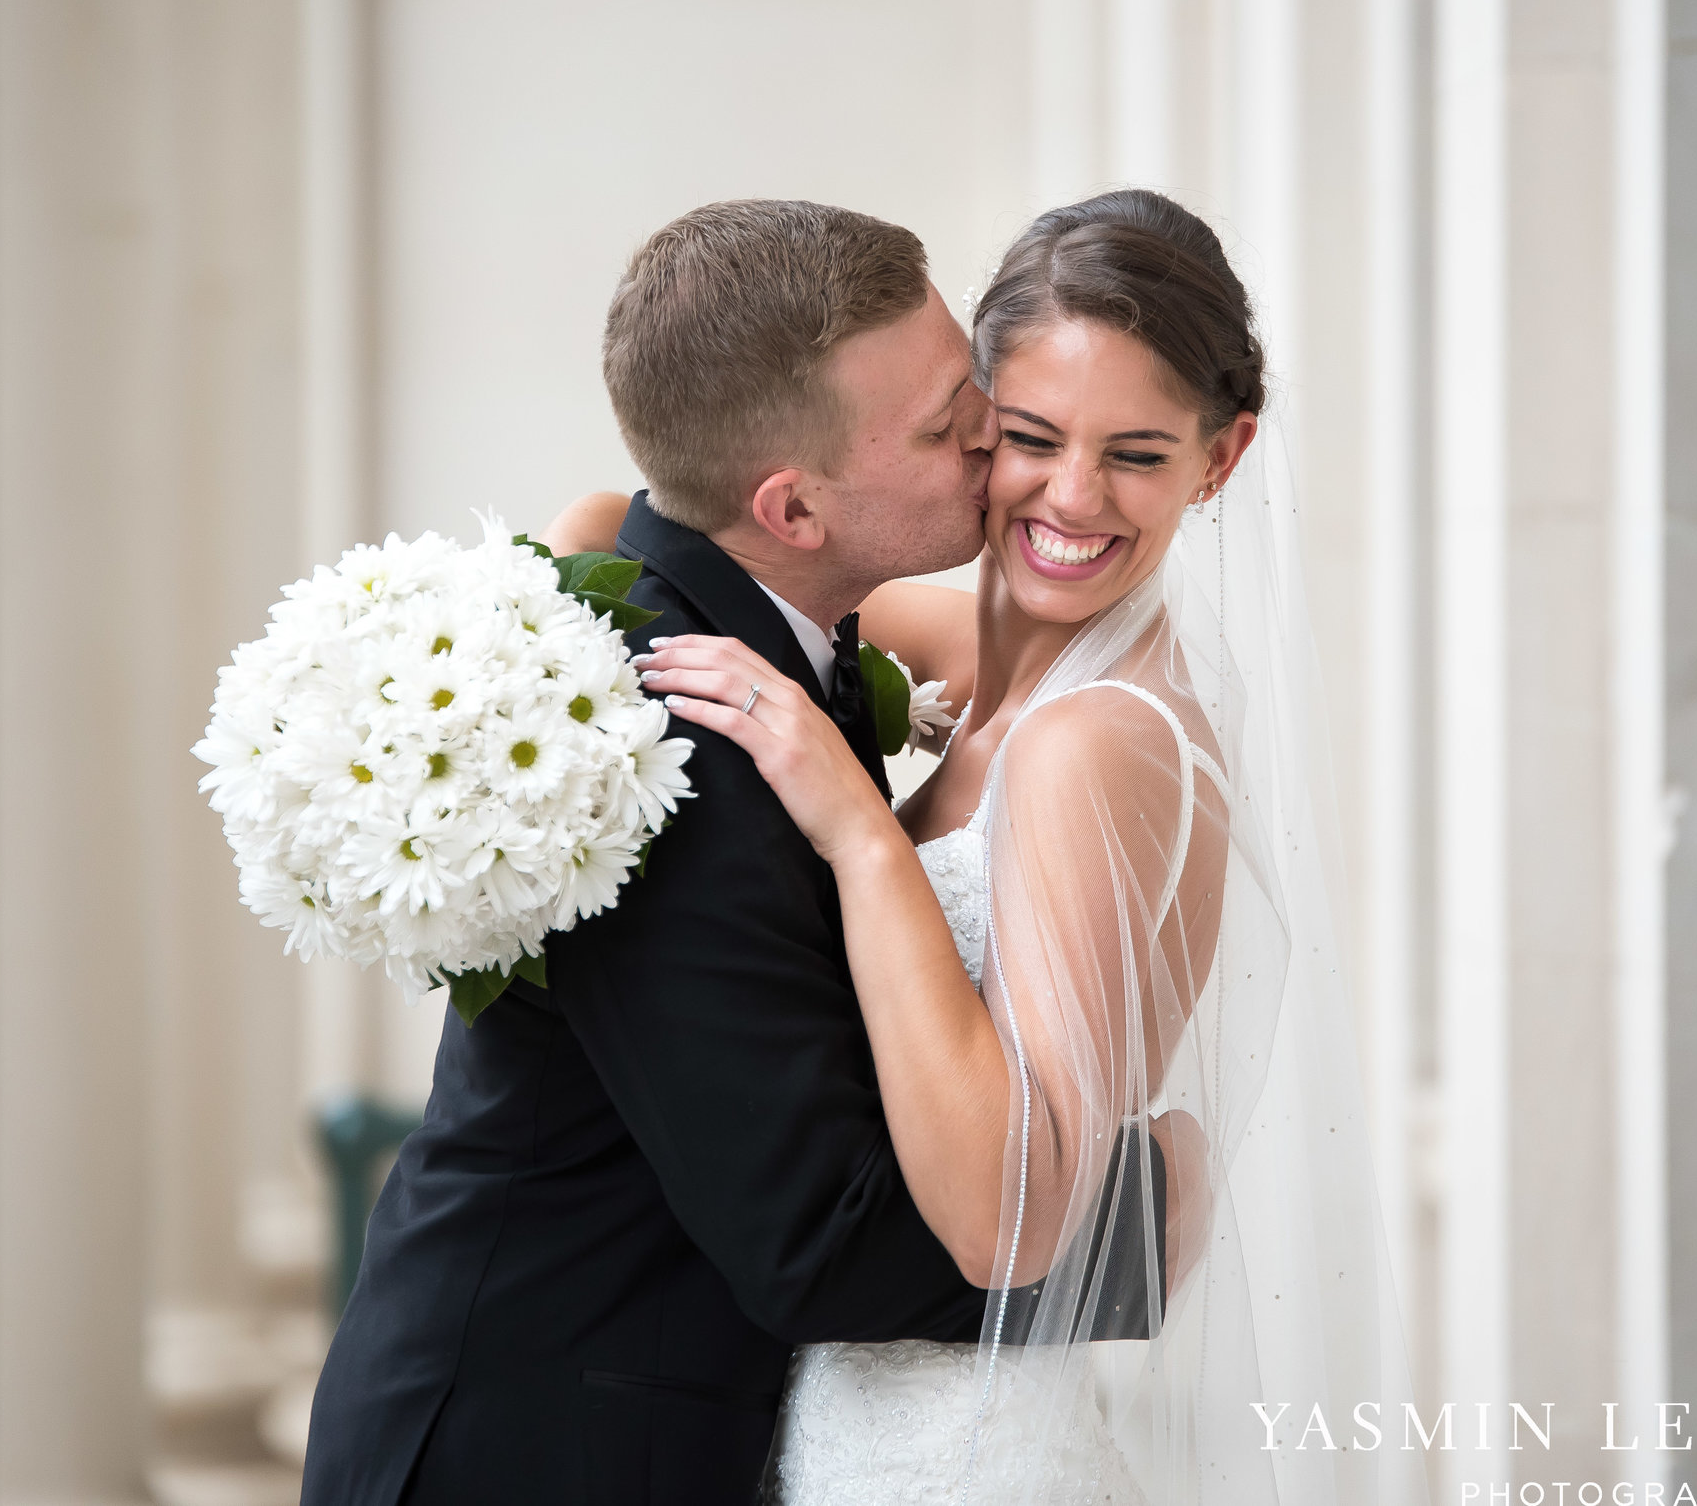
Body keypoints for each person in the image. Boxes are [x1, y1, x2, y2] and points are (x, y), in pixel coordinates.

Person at [597, 189, 1423, 1502]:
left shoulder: (1089, 741)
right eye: (1026, 436)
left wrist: (867, 837)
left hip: (954, 1437)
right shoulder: (1007, 648)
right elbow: (643, 530)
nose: (1071, 498)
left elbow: (1007, 1220)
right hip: (849, 1401)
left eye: (1139, 455)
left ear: (1223, 456)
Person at [300, 200, 1004, 1506]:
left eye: (971, 377)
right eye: (942, 420)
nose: (991, 428)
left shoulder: (766, 633)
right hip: (531, 1455)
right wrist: (1144, 1244)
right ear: (790, 508)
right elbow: (820, 1248)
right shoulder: (668, 750)